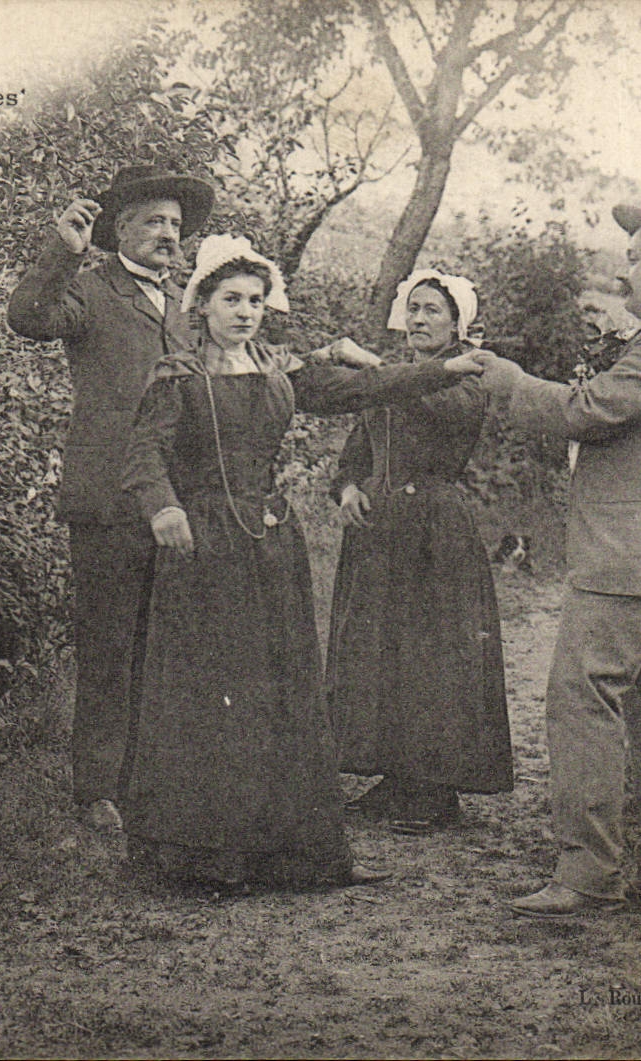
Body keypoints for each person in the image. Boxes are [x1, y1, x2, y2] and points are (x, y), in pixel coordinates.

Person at [120, 236, 479, 888]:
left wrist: (440, 371)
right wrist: (162, 507)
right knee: (211, 696)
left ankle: (279, 849)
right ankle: (205, 853)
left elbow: (362, 388)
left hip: (269, 549)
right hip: (202, 547)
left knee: (275, 693)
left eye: (256, 300)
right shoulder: (178, 374)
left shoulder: (279, 369)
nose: (246, 311)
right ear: (201, 304)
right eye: (231, 299)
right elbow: (143, 454)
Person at [456, 183, 641, 918]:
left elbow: (590, 411)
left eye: (638, 254)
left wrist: (512, 383)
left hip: (631, 562)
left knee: (581, 702)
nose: (627, 266)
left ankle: (586, 873)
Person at [6, 165, 215, 831]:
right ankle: (98, 787)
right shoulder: (92, 291)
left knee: (168, 642)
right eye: (153, 221)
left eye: (175, 225)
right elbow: (28, 316)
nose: (166, 234)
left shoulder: (187, 306)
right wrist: (62, 252)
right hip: (106, 501)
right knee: (109, 645)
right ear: (117, 230)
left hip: (174, 501)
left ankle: (153, 776)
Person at [327, 271, 513, 830]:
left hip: (434, 530)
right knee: (383, 652)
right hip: (379, 532)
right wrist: (348, 489)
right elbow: (354, 452)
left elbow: (440, 414)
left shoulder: (468, 376)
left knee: (433, 657)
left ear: (458, 324)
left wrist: (370, 368)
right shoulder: (395, 375)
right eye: (413, 309)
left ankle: (435, 790)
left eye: (433, 310)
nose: (419, 319)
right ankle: (395, 777)